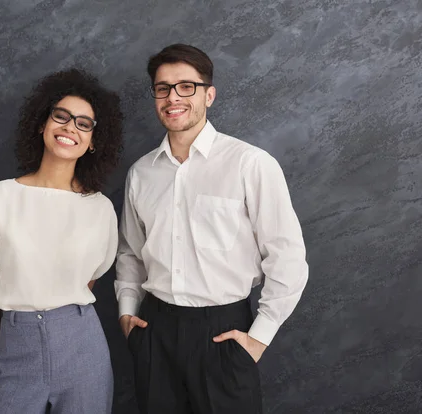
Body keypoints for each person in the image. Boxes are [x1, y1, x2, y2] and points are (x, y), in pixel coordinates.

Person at [115, 44, 309, 413]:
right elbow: (130, 252)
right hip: (154, 328)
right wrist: (127, 313)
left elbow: (287, 257)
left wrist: (259, 338)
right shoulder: (141, 173)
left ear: (209, 95)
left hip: (223, 332)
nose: (173, 97)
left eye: (186, 86)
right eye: (163, 88)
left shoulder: (250, 164)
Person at [0, 68, 123, 413]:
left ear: (94, 141)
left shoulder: (99, 209)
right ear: (43, 123)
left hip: (82, 344)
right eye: (62, 116)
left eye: (84, 124)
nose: (70, 128)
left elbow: (87, 281)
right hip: (16, 344)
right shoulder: (1, 198)